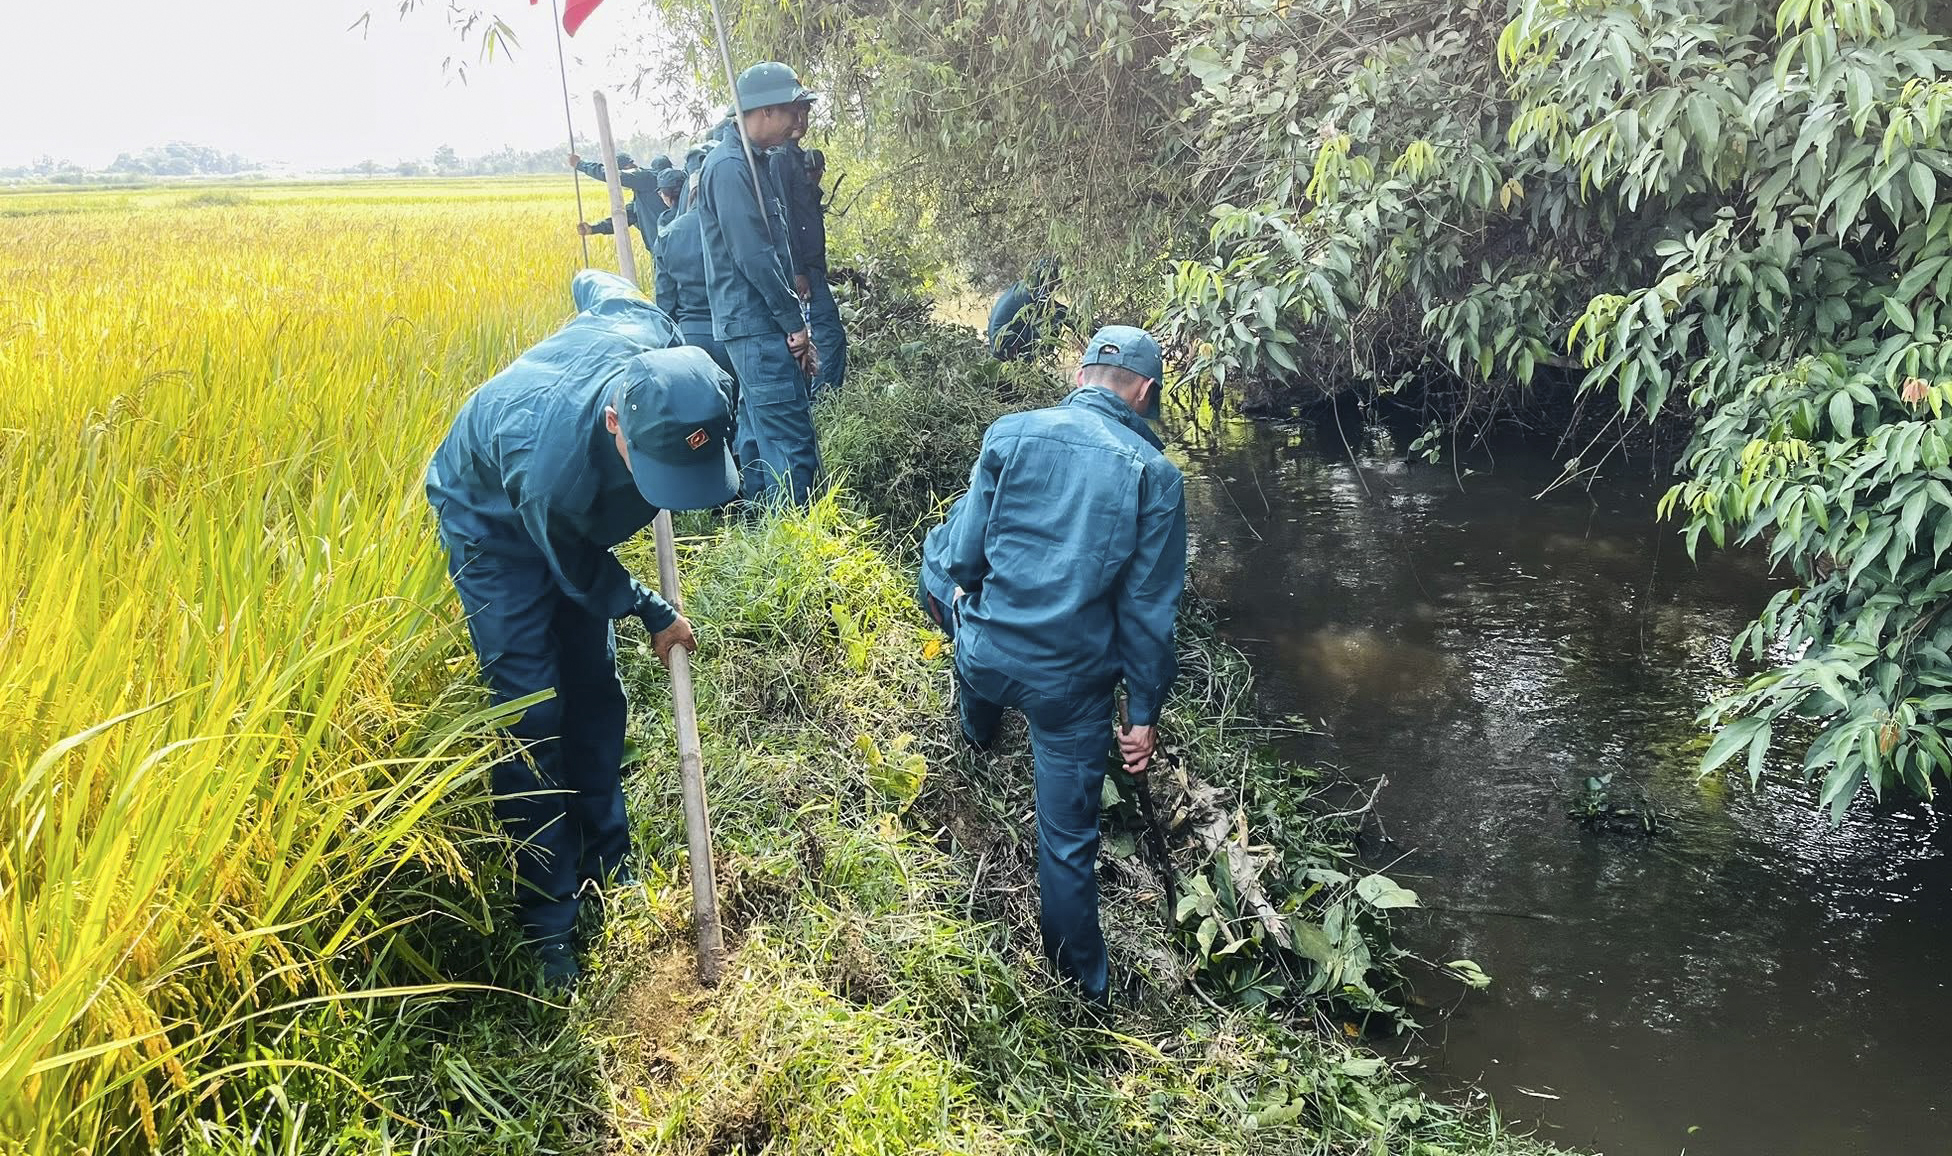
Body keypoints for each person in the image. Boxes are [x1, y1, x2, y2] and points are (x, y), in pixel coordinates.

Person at [425, 270, 739, 988]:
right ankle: (548, 921)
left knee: (595, 689)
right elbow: (584, 575)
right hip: (489, 520)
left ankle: (608, 864)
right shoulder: (553, 474)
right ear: (614, 427)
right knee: (532, 710)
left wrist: (582, 268)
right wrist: (652, 609)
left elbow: (600, 283)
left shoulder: (648, 334)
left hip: (565, 513)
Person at [919, 326, 1185, 1004]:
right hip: (1069, 692)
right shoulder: (1155, 475)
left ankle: (977, 729)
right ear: (1145, 393)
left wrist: (960, 591)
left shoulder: (1010, 433)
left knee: (936, 564)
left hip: (985, 654)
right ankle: (1082, 991)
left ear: (1079, 373)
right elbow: (1148, 615)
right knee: (1067, 841)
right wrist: (1144, 715)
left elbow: (964, 558)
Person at [698, 61, 821, 505]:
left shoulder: (756, 163)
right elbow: (754, 255)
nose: (799, 124)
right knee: (789, 440)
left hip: (755, 323)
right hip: (758, 325)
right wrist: (795, 323)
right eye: (793, 112)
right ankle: (797, 539)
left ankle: (760, 522)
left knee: (758, 430)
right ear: (765, 111)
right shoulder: (731, 168)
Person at [778, 145, 846, 396]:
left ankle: (819, 398)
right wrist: (799, 271)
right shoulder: (783, 168)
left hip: (809, 270)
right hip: (805, 274)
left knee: (821, 337)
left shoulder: (804, 188)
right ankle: (824, 400)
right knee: (828, 337)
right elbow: (790, 227)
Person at [653, 201, 736, 388]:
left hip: (690, 333)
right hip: (732, 329)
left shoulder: (667, 234)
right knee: (742, 406)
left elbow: (665, 299)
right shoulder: (733, 227)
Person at [572, 151, 660, 250]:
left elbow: (611, 175)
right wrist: (593, 229)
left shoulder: (646, 178)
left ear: (628, 168)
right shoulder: (640, 198)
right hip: (659, 251)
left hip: (666, 249)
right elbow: (623, 219)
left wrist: (580, 165)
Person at [987, 258, 1069, 361]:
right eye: (1054, 283)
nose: (1053, 288)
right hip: (1007, 346)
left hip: (997, 344)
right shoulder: (1035, 292)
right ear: (1047, 278)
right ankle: (1045, 351)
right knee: (1056, 317)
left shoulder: (1025, 285)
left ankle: (1040, 353)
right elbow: (1059, 311)